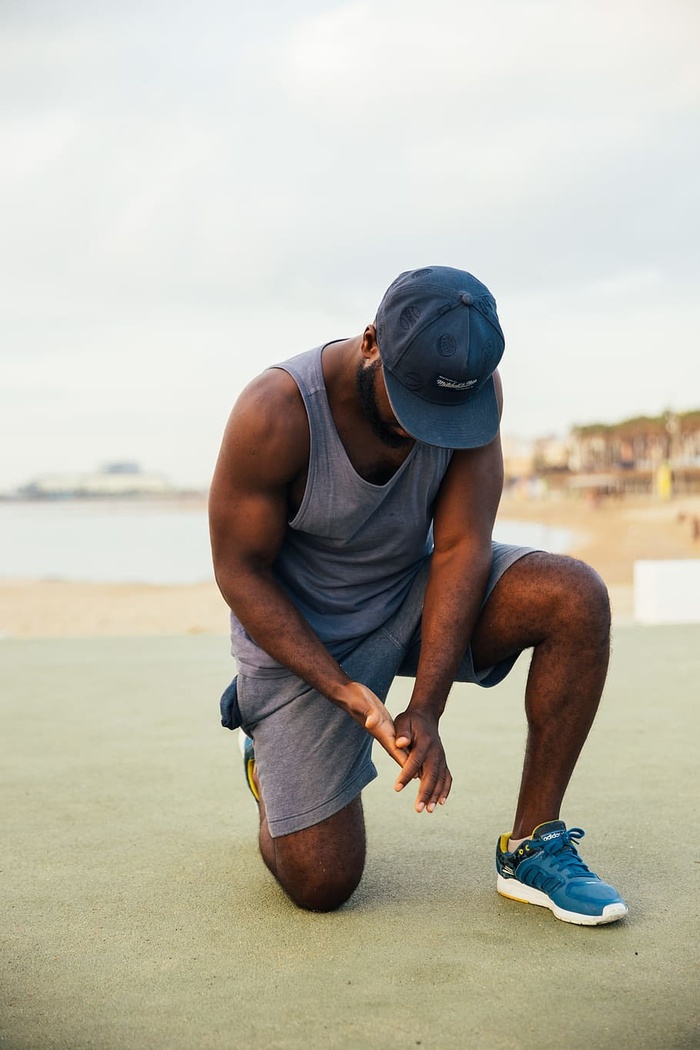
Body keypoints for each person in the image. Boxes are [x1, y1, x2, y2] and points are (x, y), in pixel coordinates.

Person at [208, 265, 627, 926]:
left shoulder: (472, 394)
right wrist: (348, 694)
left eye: (445, 417)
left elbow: (462, 546)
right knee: (322, 882)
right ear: (371, 342)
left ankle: (531, 846)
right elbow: (240, 573)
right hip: (309, 633)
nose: (425, 432)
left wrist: (425, 707)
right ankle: (264, 747)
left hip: (411, 594)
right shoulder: (276, 412)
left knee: (574, 596)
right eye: (412, 410)